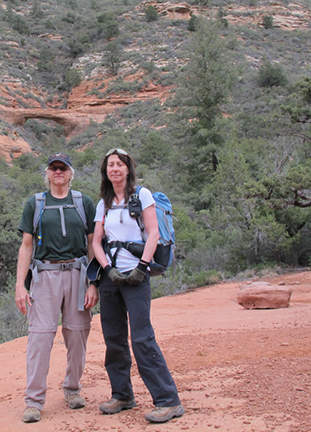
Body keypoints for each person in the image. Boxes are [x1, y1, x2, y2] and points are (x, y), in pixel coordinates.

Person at [91, 148, 184, 424]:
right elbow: (96, 242)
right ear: (105, 171)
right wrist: (107, 270)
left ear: (128, 169)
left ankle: (168, 400)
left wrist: (142, 268)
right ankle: (122, 395)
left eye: (120, 164)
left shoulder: (141, 195)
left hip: (136, 276)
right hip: (112, 278)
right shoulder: (103, 203)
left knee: (142, 338)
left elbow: (153, 233)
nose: (115, 169)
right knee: (114, 339)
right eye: (110, 165)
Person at [15, 152, 99, 423]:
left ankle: (72, 388)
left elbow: (92, 245)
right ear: (48, 173)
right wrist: (19, 285)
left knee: (77, 335)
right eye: (54, 168)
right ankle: (34, 401)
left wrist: (93, 283)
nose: (58, 172)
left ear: (71, 173)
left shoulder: (84, 203)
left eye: (63, 168)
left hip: (78, 273)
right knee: (40, 337)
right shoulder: (35, 203)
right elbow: (26, 246)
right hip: (45, 276)